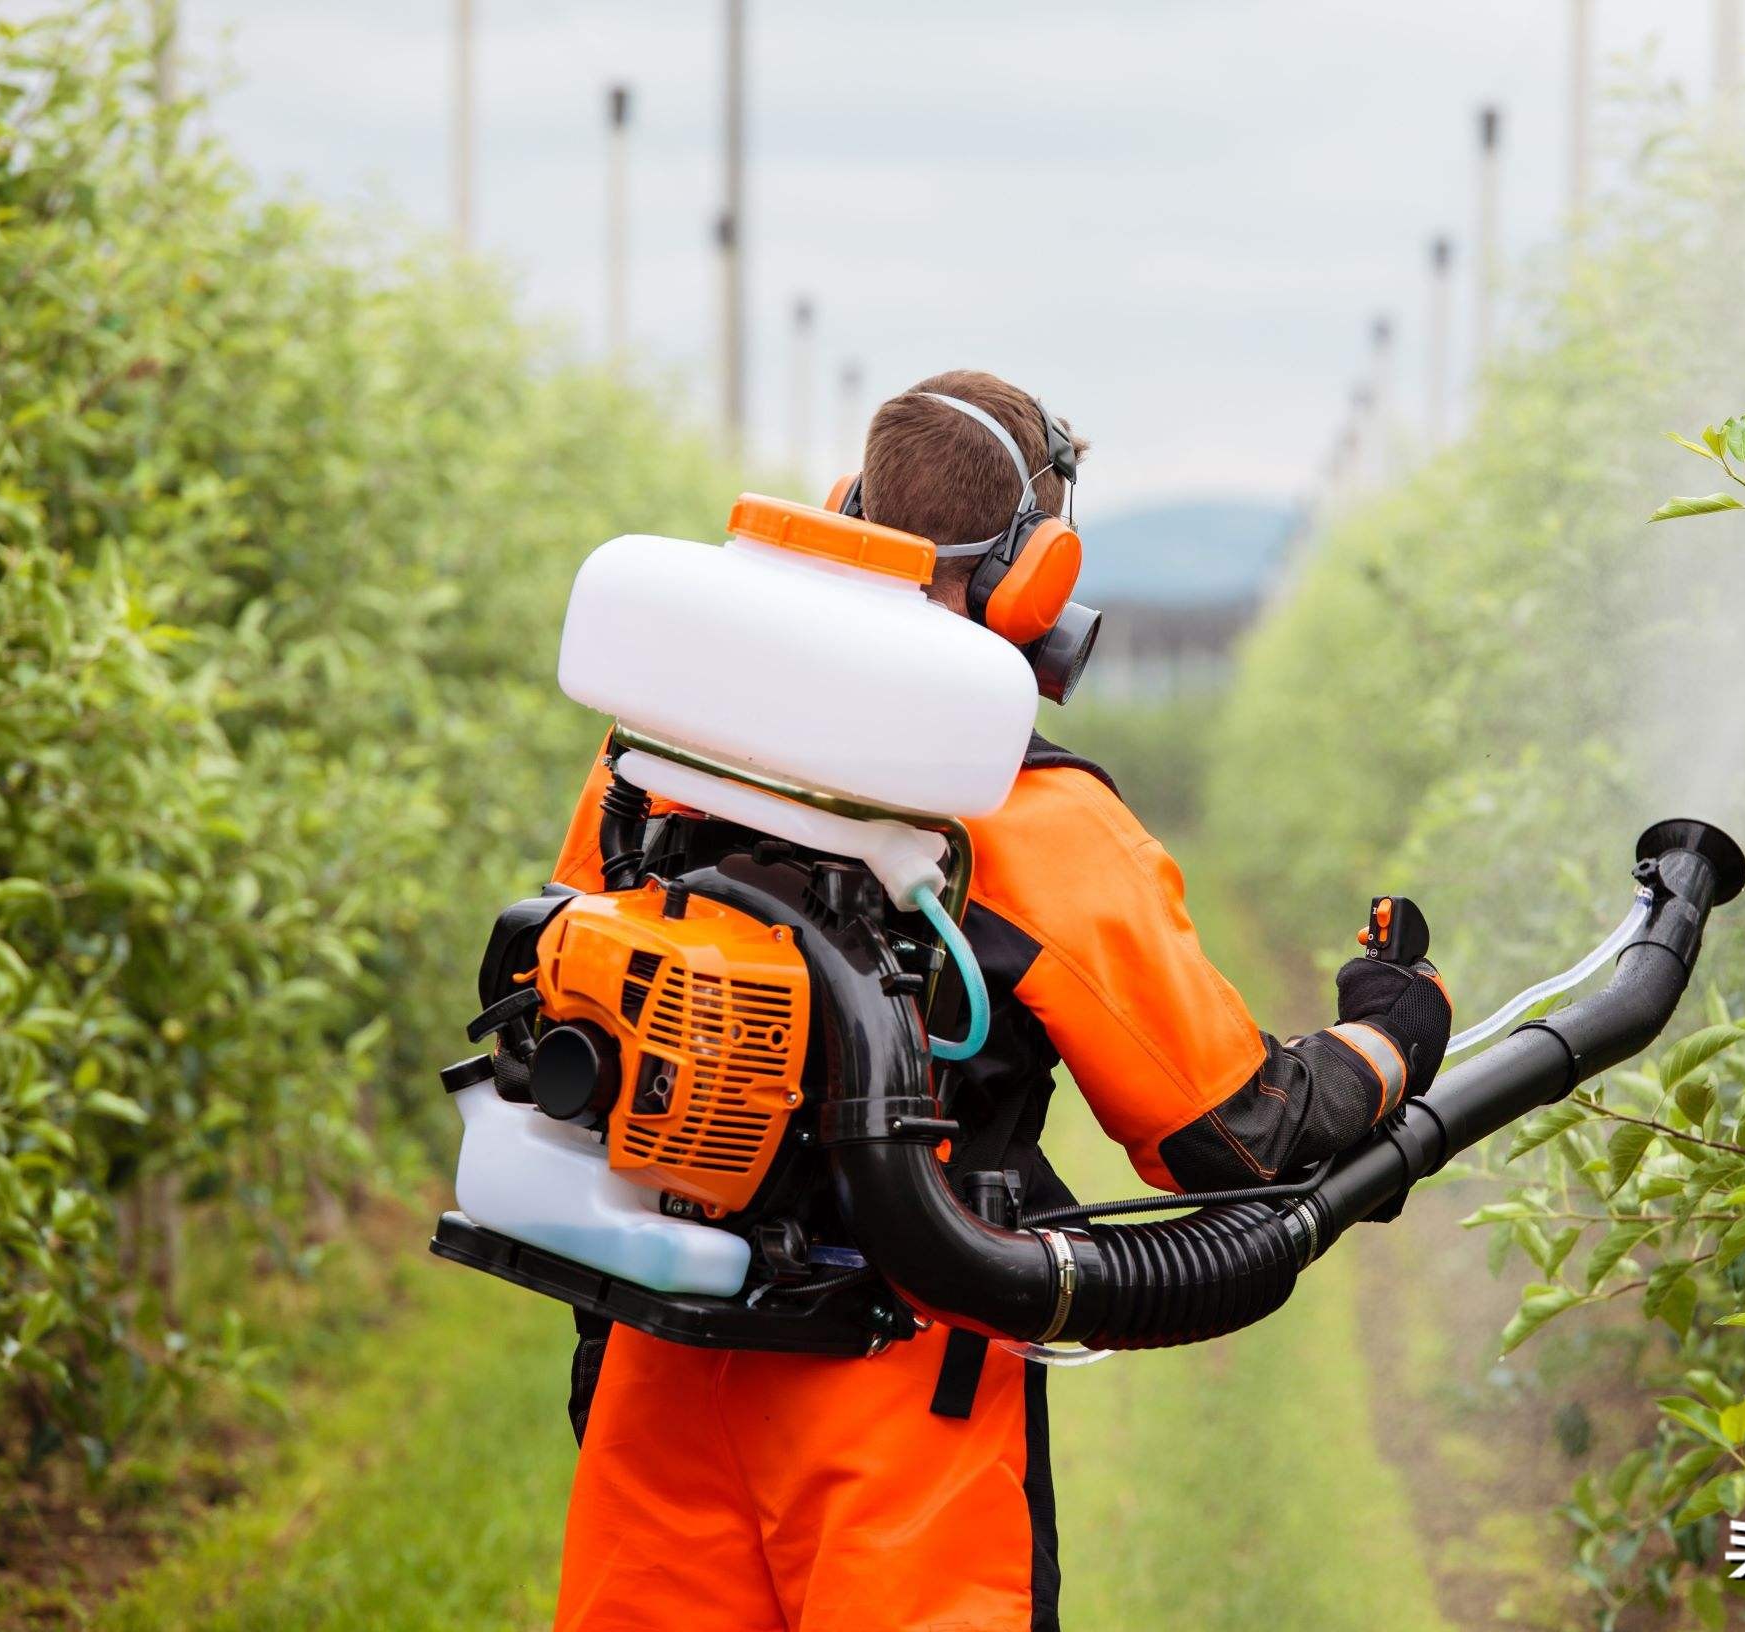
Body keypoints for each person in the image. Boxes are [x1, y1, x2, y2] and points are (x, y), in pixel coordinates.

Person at [544, 369, 1452, 1632]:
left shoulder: (657, 760)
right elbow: (1235, 1136)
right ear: (1034, 574)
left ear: (846, 514)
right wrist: (1390, 1032)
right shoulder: (1031, 818)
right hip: (903, 1391)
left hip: (658, 1356)